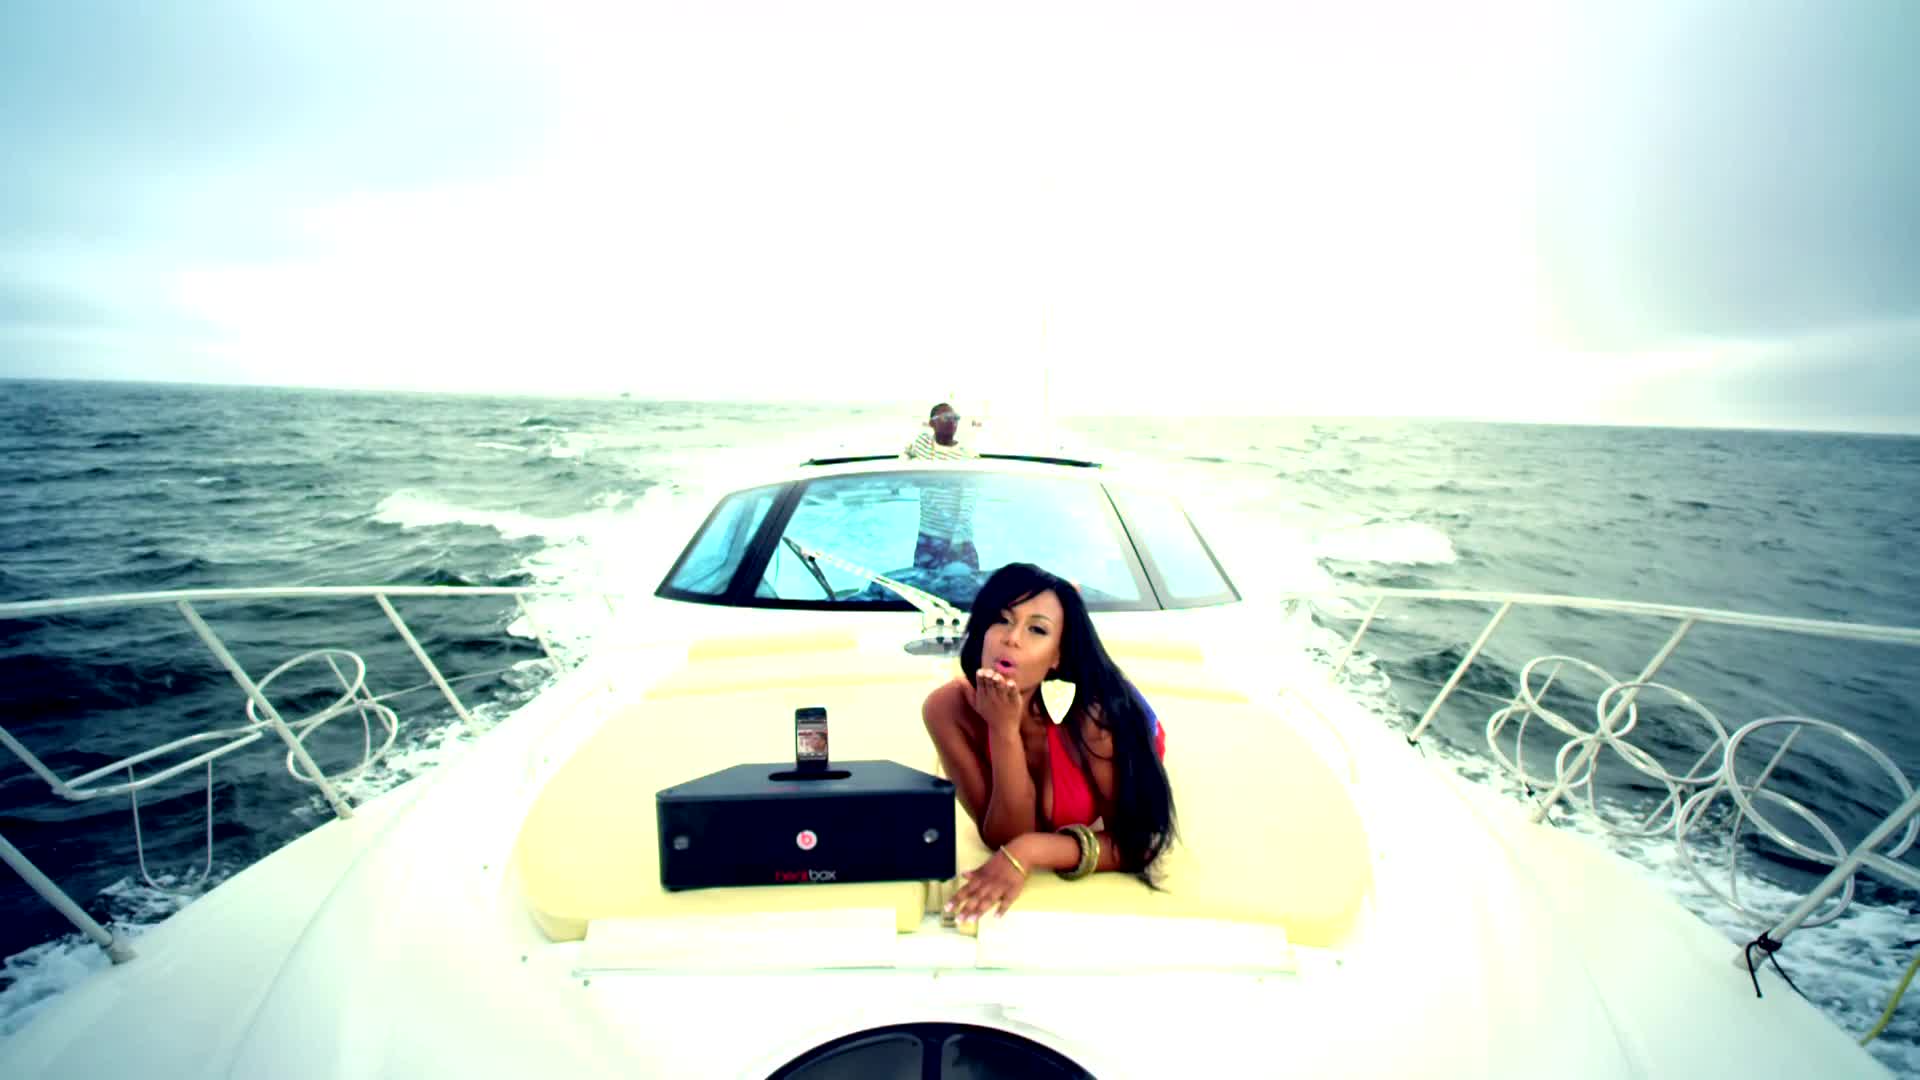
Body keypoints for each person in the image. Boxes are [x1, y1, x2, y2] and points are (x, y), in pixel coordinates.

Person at [920, 562, 1173, 923]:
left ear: (1057, 655)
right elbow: (1003, 836)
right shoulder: (946, 709)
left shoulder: (1097, 720)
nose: (1012, 638)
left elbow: (1139, 842)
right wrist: (1004, 731)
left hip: (1123, 724)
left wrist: (1031, 851)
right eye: (1002, 619)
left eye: (1036, 629)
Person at [902, 403, 981, 571]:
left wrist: (958, 538)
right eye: (946, 418)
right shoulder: (923, 443)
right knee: (923, 582)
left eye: (956, 418)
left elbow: (968, 501)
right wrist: (912, 474)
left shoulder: (967, 455)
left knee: (969, 583)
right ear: (932, 423)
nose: (952, 422)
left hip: (959, 538)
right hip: (928, 534)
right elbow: (906, 454)